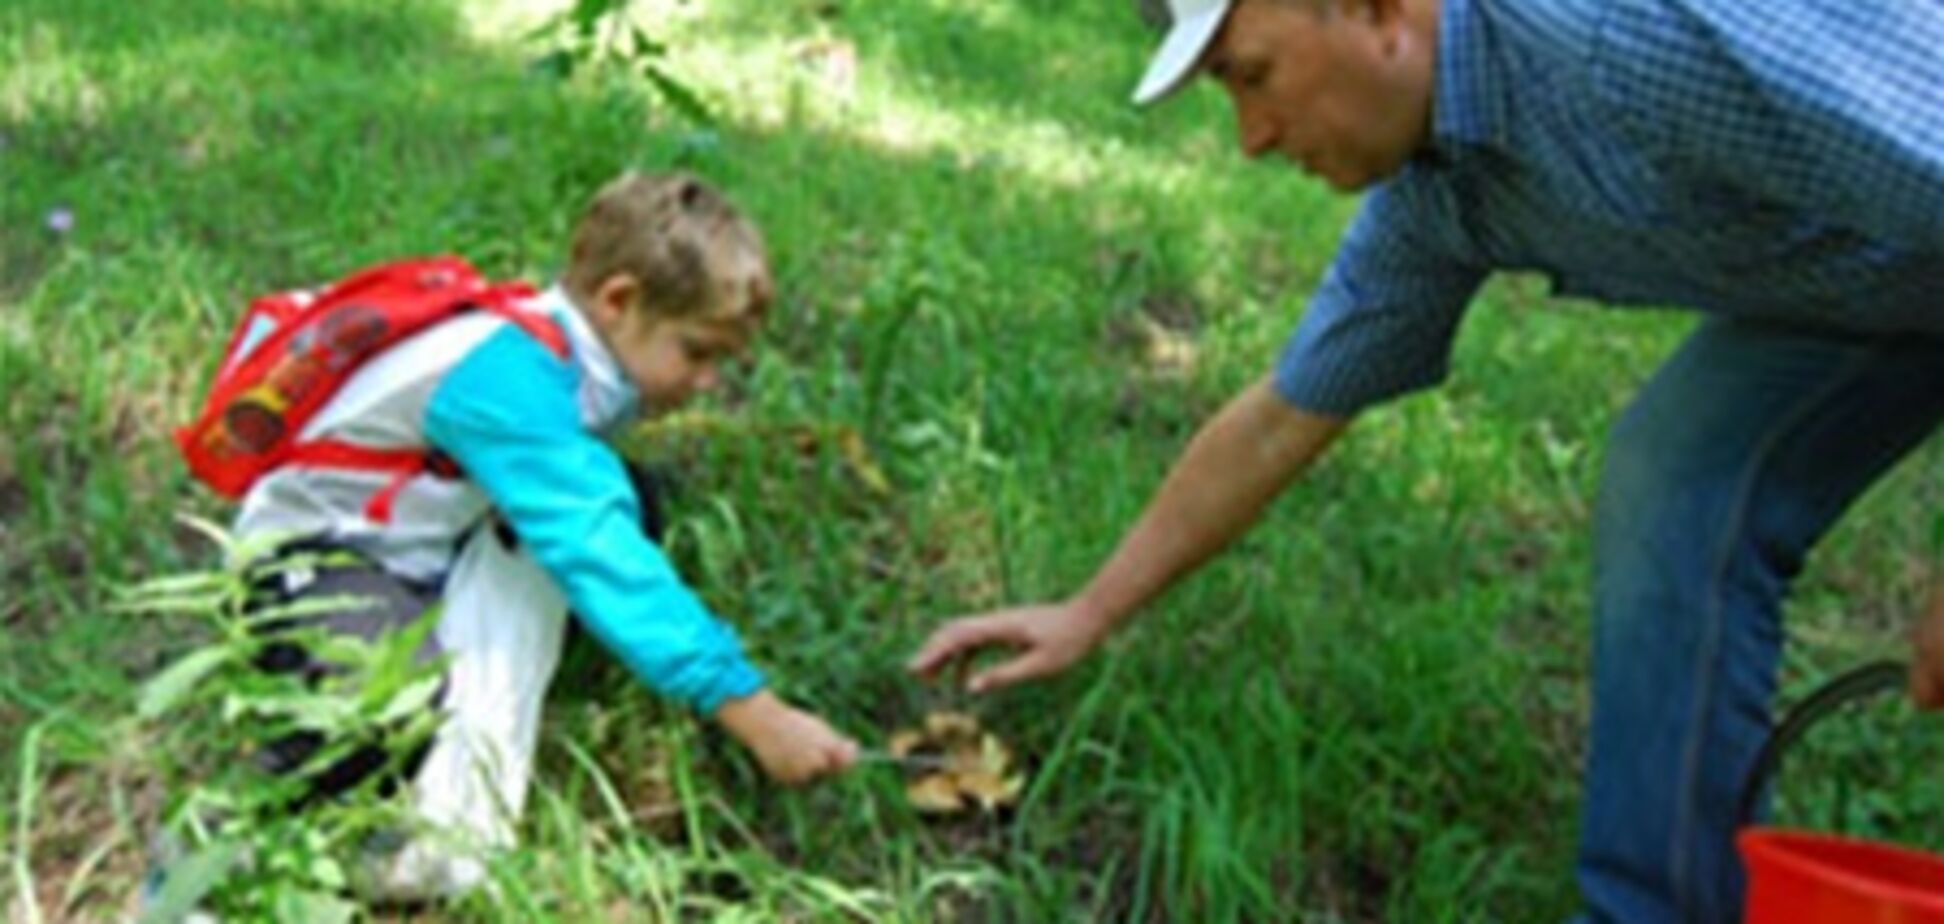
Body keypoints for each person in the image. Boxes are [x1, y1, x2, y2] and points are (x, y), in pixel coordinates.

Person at [908, 0, 1944, 920]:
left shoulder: (1616, 32)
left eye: (1252, 76)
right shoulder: (1443, 195)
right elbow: (1284, 412)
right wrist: (1092, 609)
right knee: (1674, 486)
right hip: (1869, 284)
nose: (1251, 139)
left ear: (1377, 12)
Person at [210, 171, 858, 899]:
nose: (708, 382)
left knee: (633, 502)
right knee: (383, 690)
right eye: (698, 352)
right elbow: (598, 553)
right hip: (320, 552)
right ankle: (247, 837)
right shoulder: (504, 379)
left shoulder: (563, 348)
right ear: (620, 301)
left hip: (426, 536)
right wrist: (754, 711)